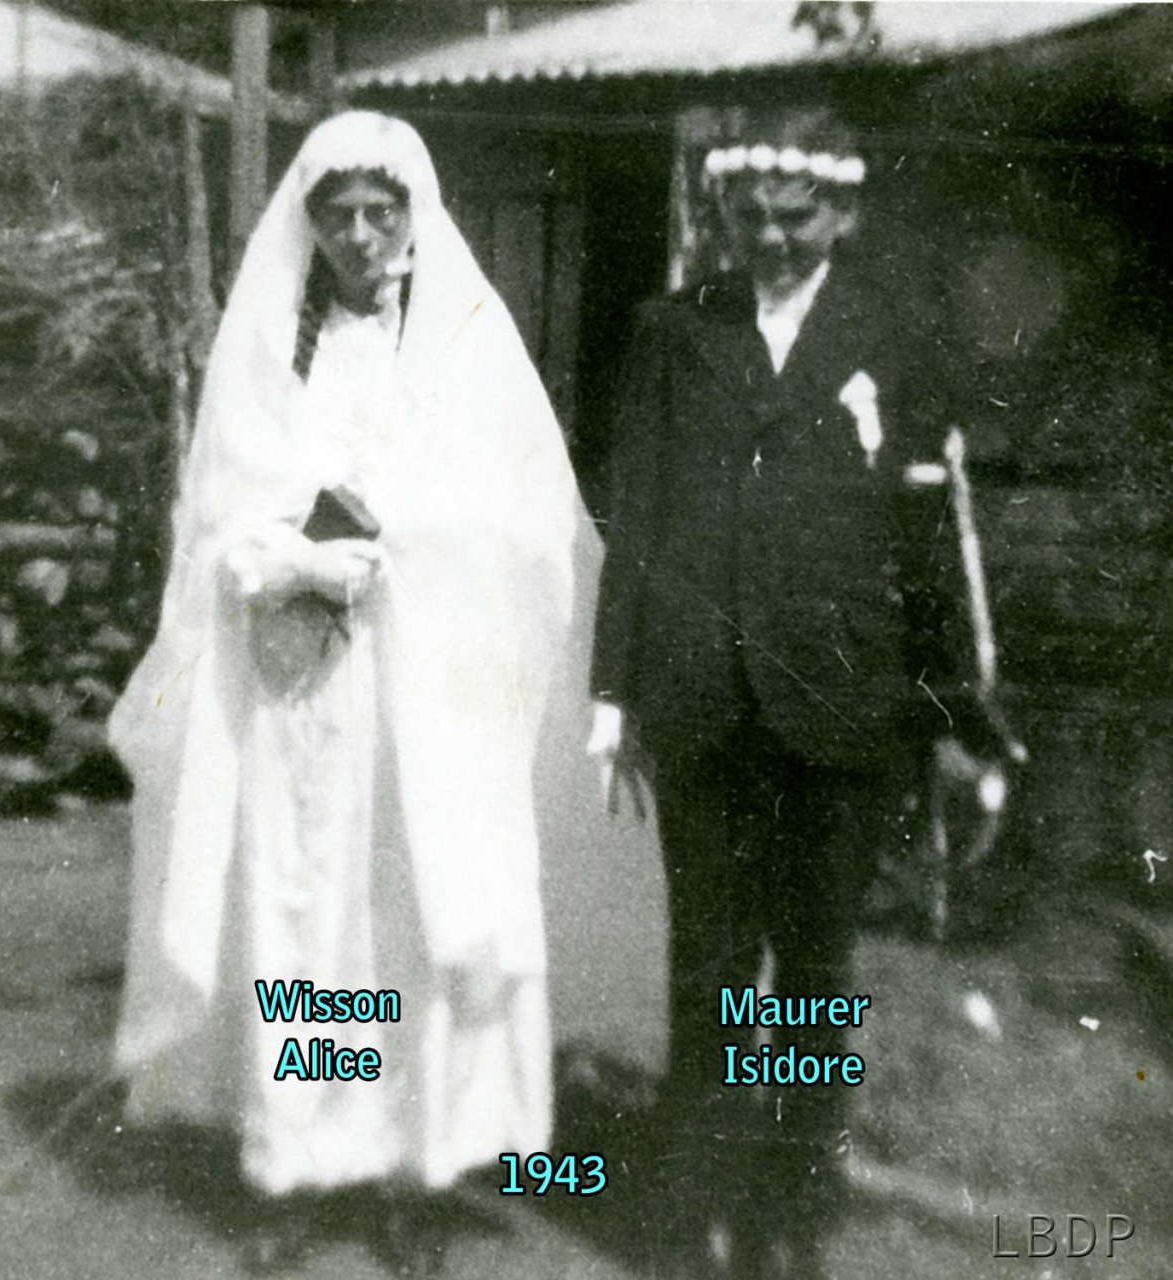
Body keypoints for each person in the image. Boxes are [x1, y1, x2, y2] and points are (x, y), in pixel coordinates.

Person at [109, 110, 588, 1273]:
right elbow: (220, 513)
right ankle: (299, 1154)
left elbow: (527, 520)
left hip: (429, 688)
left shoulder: (466, 344)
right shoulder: (274, 349)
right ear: (312, 225)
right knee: (301, 910)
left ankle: (415, 1162)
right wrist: (283, 555)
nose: (363, 235)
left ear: (415, 218)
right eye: (340, 216)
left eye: (382, 213)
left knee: (409, 915)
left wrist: (410, 540)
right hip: (300, 688)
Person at [588, 108, 1006, 1278]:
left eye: (796, 216)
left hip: (840, 707)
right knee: (711, 969)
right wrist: (615, 691)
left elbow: (929, 540)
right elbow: (638, 515)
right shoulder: (675, 330)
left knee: (816, 973)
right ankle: (698, 1211)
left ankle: (793, 1210)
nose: (771, 236)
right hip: (704, 702)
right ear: (724, 214)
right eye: (751, 216)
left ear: (843, 212)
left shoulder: (895, 337)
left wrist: (949, 712)